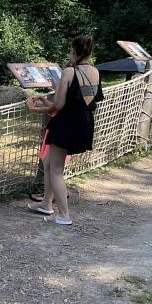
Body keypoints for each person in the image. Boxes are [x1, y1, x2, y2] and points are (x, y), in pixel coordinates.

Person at [26, 34, 103, 225]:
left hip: (67, 123)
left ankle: (64, 215)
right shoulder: (95, 70)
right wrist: (48, 101)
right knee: (48, 161)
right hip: (83, 121)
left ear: (74, 50)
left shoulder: (70, 71)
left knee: (56, 170)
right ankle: (46, 204)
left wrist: (34, 109)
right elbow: (81, 99)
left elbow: (58, 106)